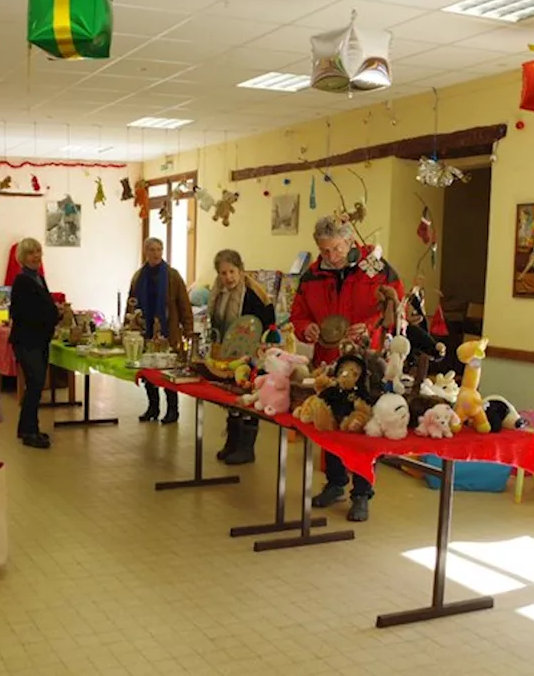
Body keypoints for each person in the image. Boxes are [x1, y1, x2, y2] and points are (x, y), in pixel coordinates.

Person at [291, 217, 403, 522]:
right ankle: (336, 483)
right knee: (330, 421)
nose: (331, 256)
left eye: (336, 248)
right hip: (328, 358)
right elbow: (298, 314)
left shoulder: (377, 268)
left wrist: (368, 327)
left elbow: (396, 308)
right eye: (324, 250)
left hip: (368, 360)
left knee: (364, 425)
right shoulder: (312, 275)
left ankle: (362, 493)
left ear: (350, 240)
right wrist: (306, 329)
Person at [208, 249, 276, 466]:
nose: (228, 277)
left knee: (248, 395)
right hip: (228, 351)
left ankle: (247, 448)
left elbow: (267, 320)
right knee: (231, 397)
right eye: (223, 273)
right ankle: (232, 442)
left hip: (252, 353)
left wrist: (256, 346)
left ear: (240, 270)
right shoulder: (218, 292)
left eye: (231, 272)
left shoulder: (254, 293)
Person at [129, 237, 193, 424]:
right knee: (149, 371)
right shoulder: (139, 276)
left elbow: (184, 304)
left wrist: (188, 329)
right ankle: (153, 407)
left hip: (169, 331)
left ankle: (173, 410)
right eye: (152, 250)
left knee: (168, 371)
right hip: (145, 330)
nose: (156, 253)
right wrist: (130, 323)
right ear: (145, 252)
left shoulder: (172, 276)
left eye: (159, 249)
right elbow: (131, 302)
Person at [9, 238, 58, 449]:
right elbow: (26, 313)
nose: (36, 256)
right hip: (28, 341)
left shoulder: (38, 277)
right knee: (35, 384)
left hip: (38, 339)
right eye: (31, 253)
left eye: (38, 252)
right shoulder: (22, 281)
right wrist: (54, 313)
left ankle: (27, 428)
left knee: (36, 385)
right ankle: (30, 432)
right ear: (22, 257)